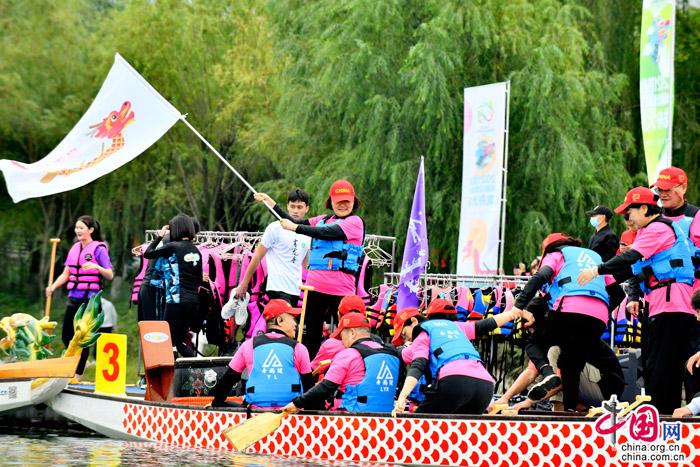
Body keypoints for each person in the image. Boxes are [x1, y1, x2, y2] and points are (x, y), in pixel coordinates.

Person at [578, 187, 696, 414]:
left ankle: (658, 417)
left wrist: (596, 271)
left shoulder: (657, 228)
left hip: (671, 306)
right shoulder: (650, 231)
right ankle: (666, 416)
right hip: (666, 305)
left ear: (643, 208)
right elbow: (629, 270)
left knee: (660, 367)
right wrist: (598, 283)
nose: (627, 218)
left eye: (629, 212)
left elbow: (629, 258)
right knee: (664, 366)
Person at [511, 233, 624, 410]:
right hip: (599, 317)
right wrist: (598, 310)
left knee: (534, 344)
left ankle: (549, 374)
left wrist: (518, 305)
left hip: (569, 307)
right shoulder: (594, 258)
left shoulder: (556, 254)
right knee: (571, 364)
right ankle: (569, 410)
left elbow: (540, 276)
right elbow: (618, 293)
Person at [256, 179, 365, 358]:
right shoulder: (322, 220)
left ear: (354, 202)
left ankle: (344, 367)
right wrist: (272, 205)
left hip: (342, 291)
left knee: (346, 336)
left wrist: (296, 228)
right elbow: (292, 221)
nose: (343, 205)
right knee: (310, 337)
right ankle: (309, 369)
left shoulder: (355, 222)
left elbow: (325, 233)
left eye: (347, 201)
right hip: (314, 289)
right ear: (331, 202)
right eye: (339, 201)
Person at [392, 298, 527, 415]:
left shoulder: (423, 333)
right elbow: (486, 325)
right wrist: (512, 314)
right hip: (484, 386)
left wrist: (402, 397)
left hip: (455, 383)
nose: (406, 339)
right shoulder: (456, 327)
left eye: (404, 334)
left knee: (420, 424)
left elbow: (418, 365)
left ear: (414, 322)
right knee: (461, 432)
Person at [283, 312, 399, 414]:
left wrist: (297, 403)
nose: (342, 341)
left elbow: (325, 388)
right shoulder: (392, 354)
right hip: (386, 420)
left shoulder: (348, 354)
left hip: (351, 419)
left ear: (352, 332)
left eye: (341, 335)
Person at [209, 299, 313, 408]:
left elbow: (226, 381)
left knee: (220, 403)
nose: (296, 324)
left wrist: (215, 404)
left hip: (255, 413)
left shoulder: (248, 345)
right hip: (290, 412)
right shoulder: (299, 348)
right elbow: (309, 388)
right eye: (292, 318)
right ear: (279, 320)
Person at [46, 215, 113, 380]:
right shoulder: (75, 248)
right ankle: (75, 364)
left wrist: (96, 266)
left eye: (81, 228)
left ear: (91, 230)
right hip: (74, 297)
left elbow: (110, 274)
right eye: (76, 228)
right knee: (66, 335)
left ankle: (78, 372)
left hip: (90, 300)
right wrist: (53, 287)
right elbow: (66, 274)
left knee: (82, 337)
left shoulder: (99, 249)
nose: (78, 230)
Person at [234, 189, 310, 305]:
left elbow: (306, 264)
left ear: (306, 208)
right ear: (287, 206)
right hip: (276, 288)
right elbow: (257, 256)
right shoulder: (275, 228)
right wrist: (244, 284)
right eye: (292, 206)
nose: (295, 210)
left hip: (296, 289)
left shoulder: (307, 233)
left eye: (299, 207)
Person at [143, 215, 202, 358]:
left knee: (167, 342)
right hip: (192, 302)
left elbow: (148, 253)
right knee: (180, 343)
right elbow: (199, 281)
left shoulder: (172, 247)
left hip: (176, 302)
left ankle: (172, 372)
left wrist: (160, 236)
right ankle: (197, 370)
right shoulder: (196, 250)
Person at [310, 294, 382, 377]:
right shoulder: (378, 342)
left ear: (338, 315)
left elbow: (312, 371)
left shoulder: (331, 345)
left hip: (338, 384)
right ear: (365, 316)